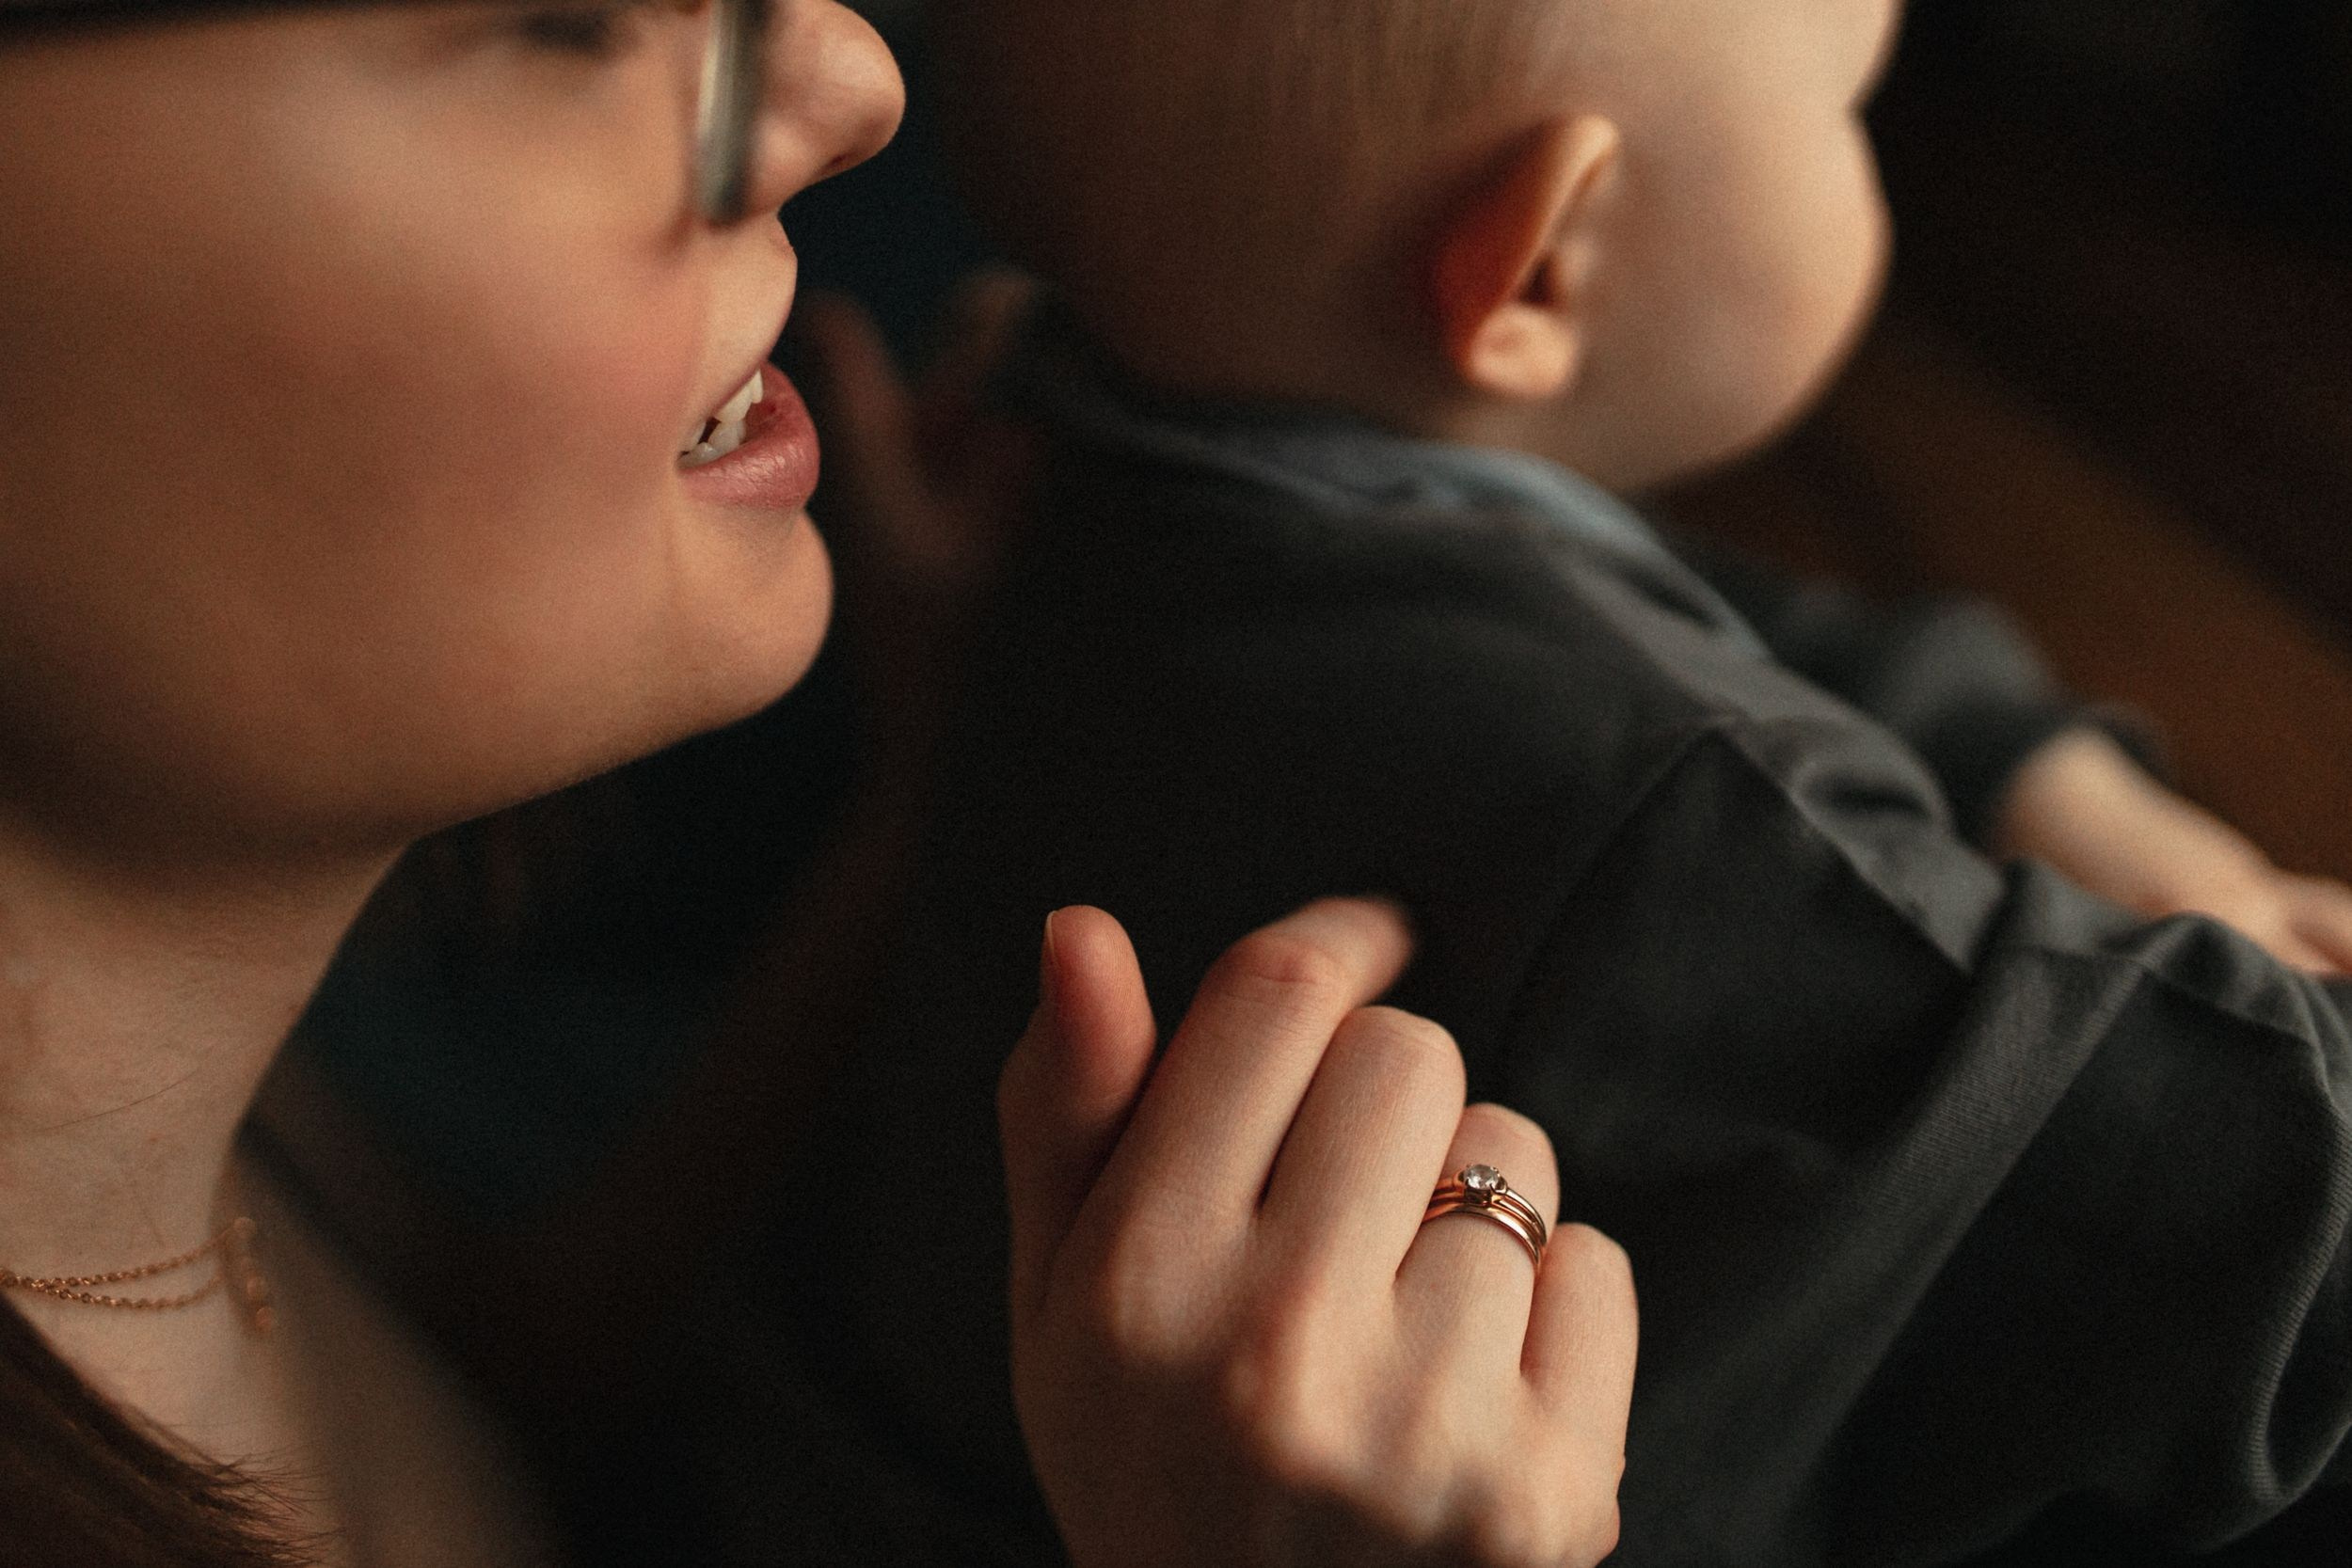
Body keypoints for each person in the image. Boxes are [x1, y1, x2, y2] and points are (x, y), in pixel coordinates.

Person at [0, 4, 1639, 1565]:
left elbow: (521, 1371)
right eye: (559, 15)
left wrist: (933, 790)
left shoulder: (221, 1158)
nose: (853, 77)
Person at [753, 0, 2352, 1562]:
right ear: (1538, 265)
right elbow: (2245, 1207)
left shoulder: (1118, 457)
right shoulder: (1668, 818)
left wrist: (2043, 774)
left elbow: (1692, 602)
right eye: (1851, 109)